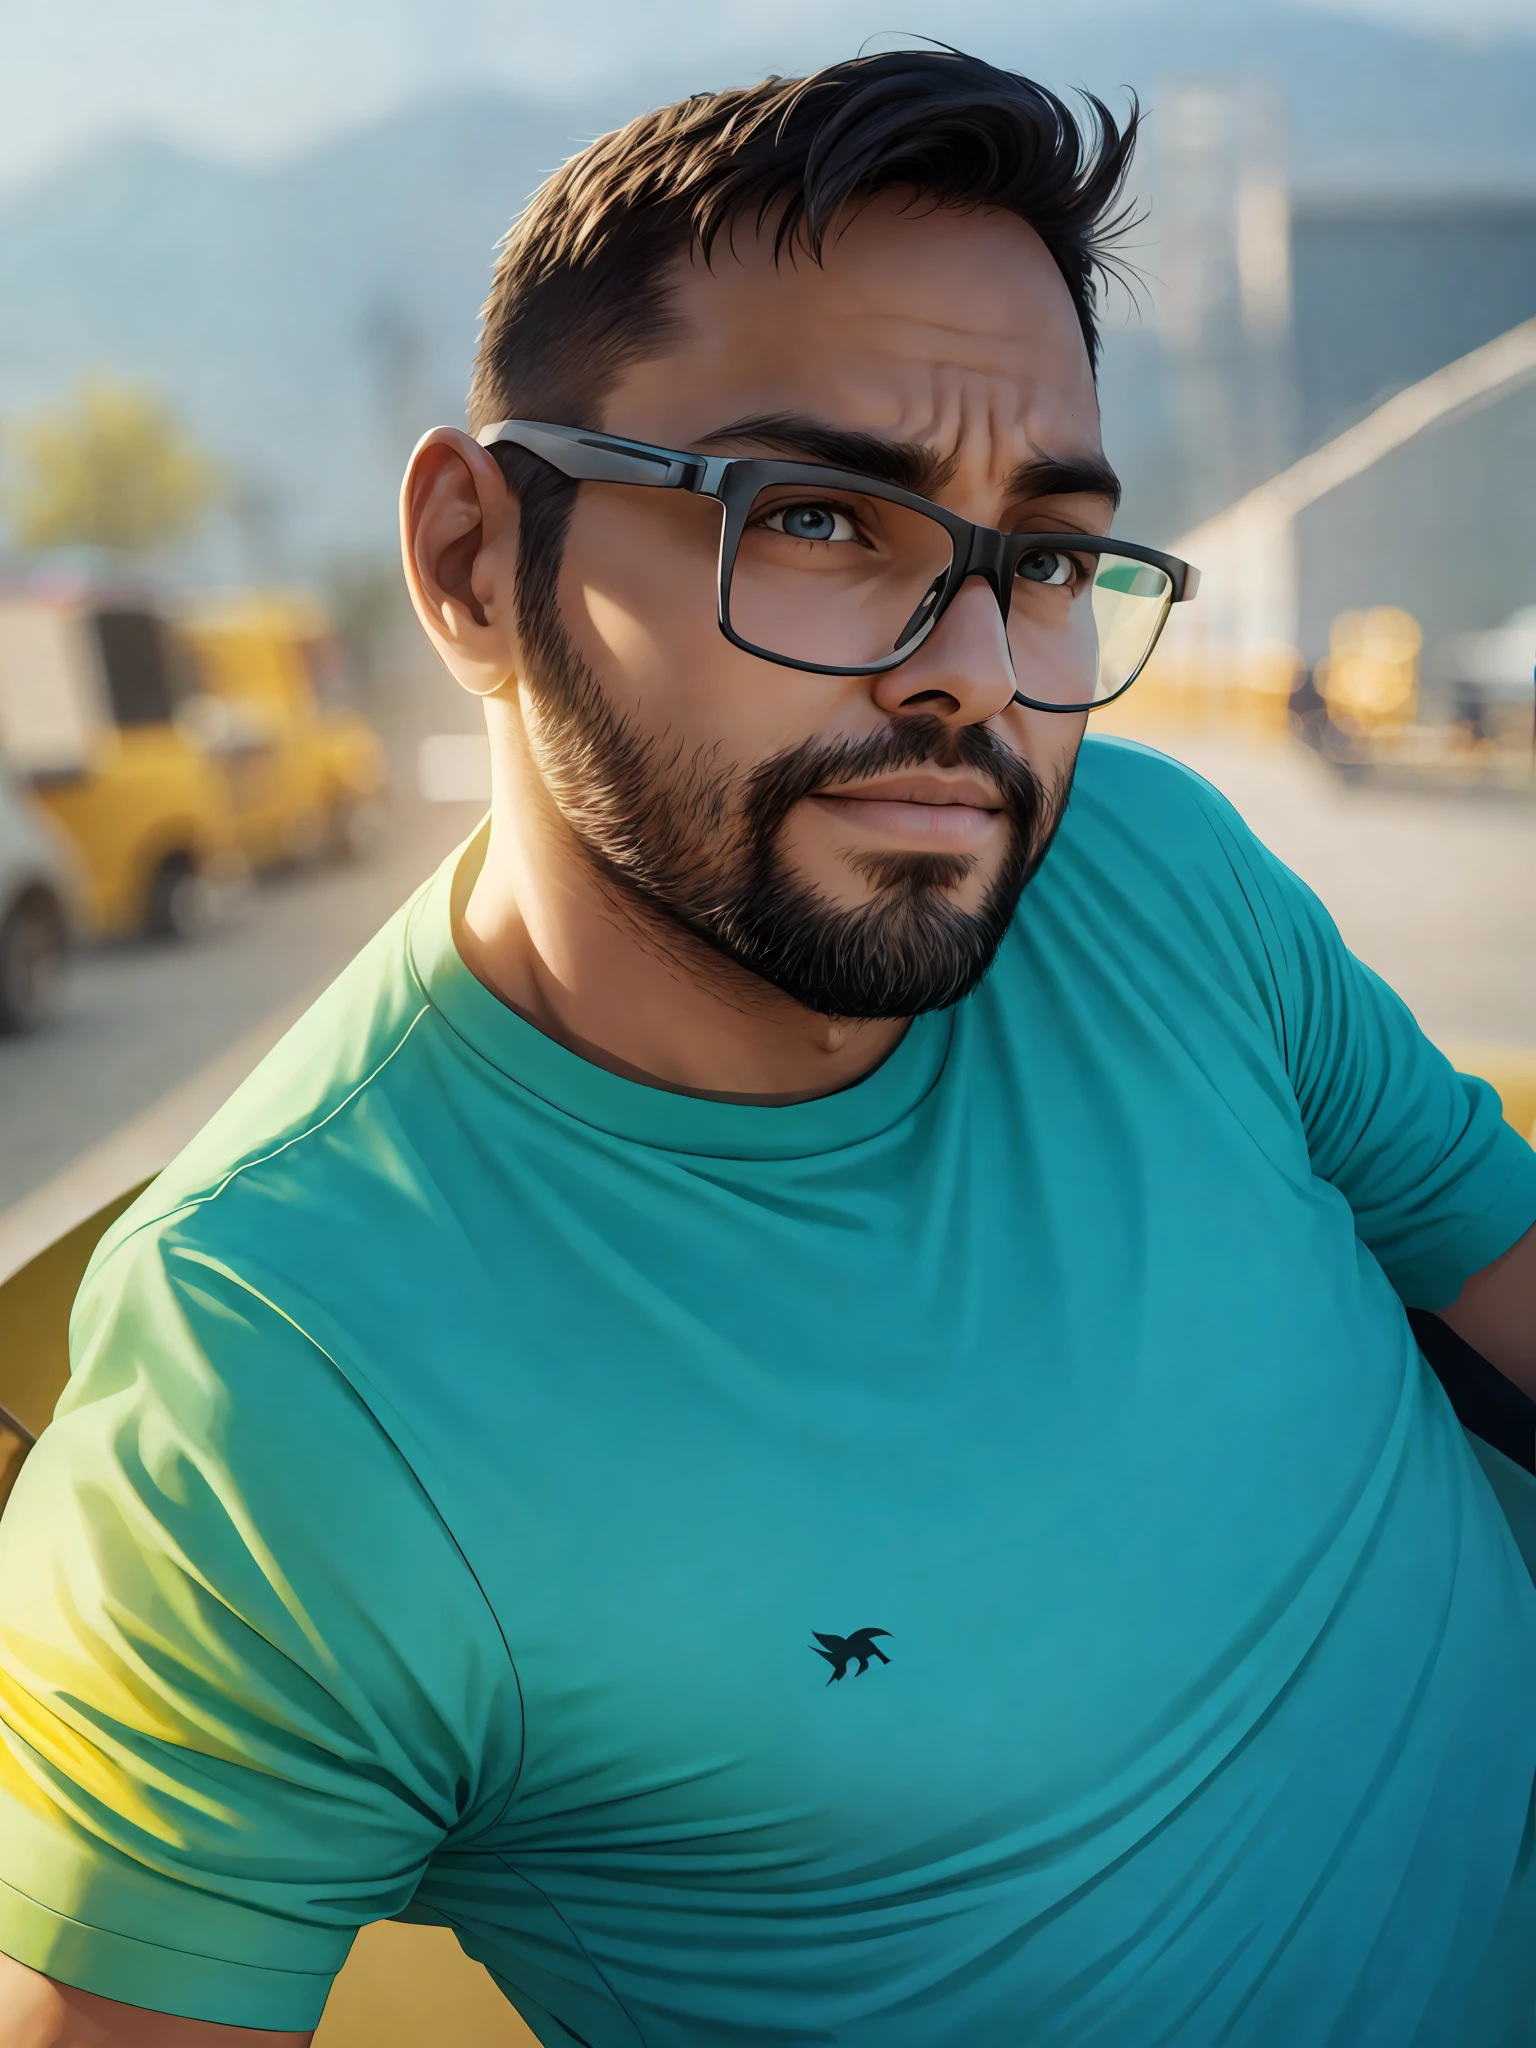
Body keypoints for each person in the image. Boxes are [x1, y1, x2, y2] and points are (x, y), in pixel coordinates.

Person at [3, 48, 1536, 2048]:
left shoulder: (1156, 872)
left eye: (1049, 559)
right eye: (821, 519)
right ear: (478, 559)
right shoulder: (267, 1396)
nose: (970, 677)